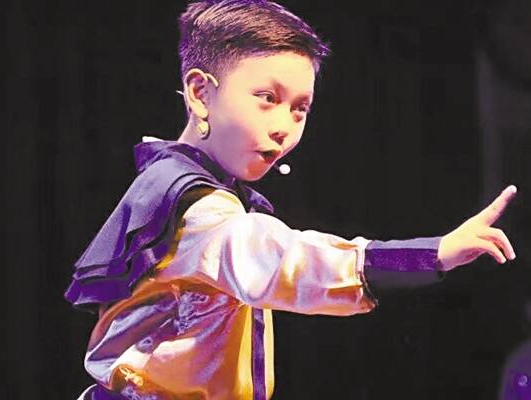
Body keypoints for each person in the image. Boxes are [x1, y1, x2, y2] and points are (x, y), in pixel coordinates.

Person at [65, 1, 517, 399]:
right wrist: (431, 253)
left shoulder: (167, 184)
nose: (284, 127)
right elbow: (290, 260)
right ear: (201, 94)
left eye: (299, 108)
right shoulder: (198, 210)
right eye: (267, 98)